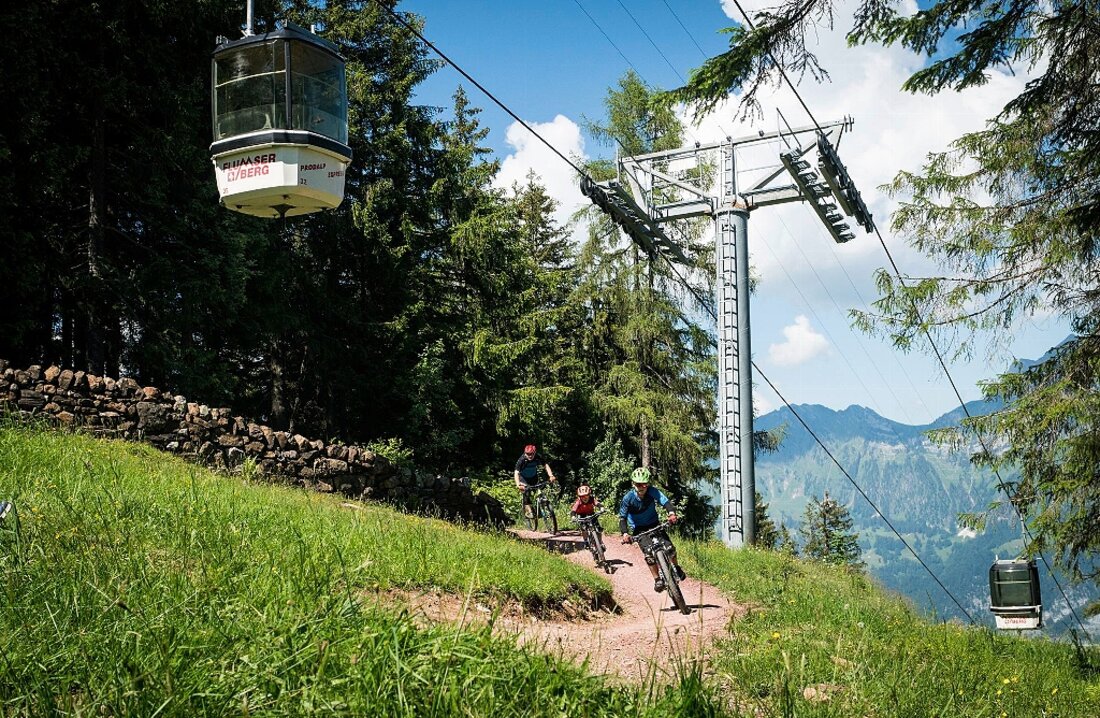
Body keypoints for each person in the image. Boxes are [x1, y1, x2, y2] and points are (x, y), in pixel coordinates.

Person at [618, 466, 687, 593]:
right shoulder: (628, 498)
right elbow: (622, 518)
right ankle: (657, 580)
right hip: (639, 529)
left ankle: (676, 568)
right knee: (649, 555)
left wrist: (671, 513)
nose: (642, 487)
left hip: (654, 524)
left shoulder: (652, 491)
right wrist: (625, 533)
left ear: (648, 484)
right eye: (639, 484)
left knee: (670, 548)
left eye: (644, 484)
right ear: (633, 484)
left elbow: (665, 502)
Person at [514, 443, 556, 518]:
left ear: (535, 453)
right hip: (523, 478)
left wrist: (551, 475)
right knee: (527, 491)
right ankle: (528, 511)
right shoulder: (522, 460)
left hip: (534, 477)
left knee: (539, 490)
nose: (530, 456)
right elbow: (516, 473)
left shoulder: (537, 457)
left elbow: (545, 465)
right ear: (525, 453)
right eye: (527, 454)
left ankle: (540, 508)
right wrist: (518, 484)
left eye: (531, 454)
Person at [571, 485, 604, 550]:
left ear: (589, 495)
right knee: (584, 529)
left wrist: (601, 508)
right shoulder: (578, 502)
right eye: (582, 496)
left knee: (598, 529)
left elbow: (598, 504)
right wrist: (573, 516)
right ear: (579, 497)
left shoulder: (592, 499)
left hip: (591, 514)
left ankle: (600, 543)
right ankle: (586, 541)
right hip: (582, 515)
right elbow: (573, 510)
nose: (584, 498)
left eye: (586, 495)